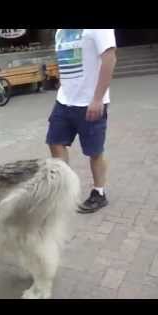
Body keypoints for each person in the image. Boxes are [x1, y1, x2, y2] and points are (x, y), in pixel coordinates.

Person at [46, 29, 117, 214]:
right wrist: (63, 87)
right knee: (55, 143)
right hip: (64, 101)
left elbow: (109, 57)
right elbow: (63, 62)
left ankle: (99, 192)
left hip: (90, 102)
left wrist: (97, 99)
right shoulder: (61, 30)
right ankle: (64, 190)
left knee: (94, 151)